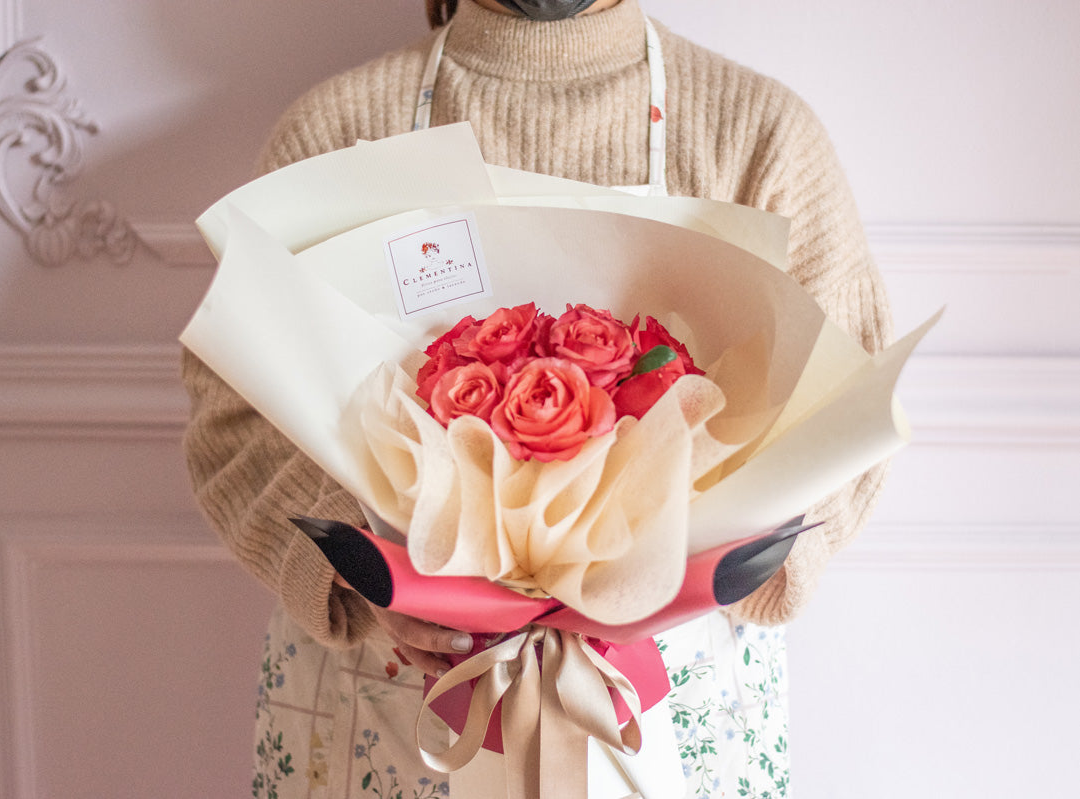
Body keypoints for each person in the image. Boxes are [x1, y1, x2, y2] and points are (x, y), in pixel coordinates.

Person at [181, 1, 892, 796]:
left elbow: (844, 405)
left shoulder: (759, 135)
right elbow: (233, 418)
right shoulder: (337, 128)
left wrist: (694, 562)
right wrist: (362, 566)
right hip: (390, 700)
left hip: (672, 702)